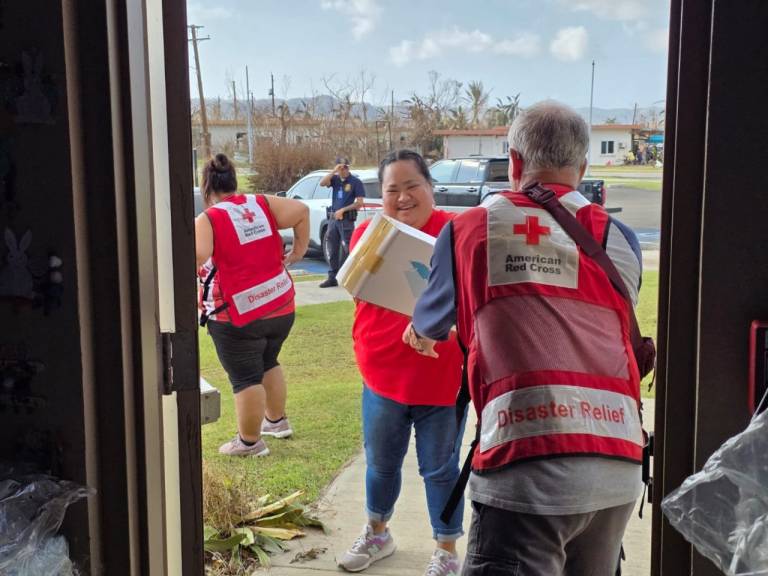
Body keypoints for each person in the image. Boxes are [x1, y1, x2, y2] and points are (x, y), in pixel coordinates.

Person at [404, 102, 645, 575]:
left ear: (513, 162)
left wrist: (422, 331)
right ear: (582, 168)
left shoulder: (469, 230)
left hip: (526, 465)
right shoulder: (621, 237)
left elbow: (429, 322)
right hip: (616, 462)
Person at [339, 150, 466, 576]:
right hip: (381, 375)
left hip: (442, 381)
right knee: (381, 463)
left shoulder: (458, 234)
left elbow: (476, 306)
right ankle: (378, 532)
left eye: (412, 186)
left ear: (431, 187)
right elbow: (358, 291)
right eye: (393, 189)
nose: (403, 196)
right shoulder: (370, 235)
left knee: (441, 470)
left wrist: (441, 328)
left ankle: (446, 550)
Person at [195, 153, 309, 457]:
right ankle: (277, 421)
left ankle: (248, 442)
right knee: (268, 361)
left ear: (206, 188)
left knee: (245, 377)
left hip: (237, 313)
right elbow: (300, 210)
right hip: (280, 304)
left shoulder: (210, 218)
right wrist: (297, 251)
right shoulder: (261, 204)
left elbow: (196, 254)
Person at [318, 157, 365, 288]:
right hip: (333, 219)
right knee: (332, 248)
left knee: (348, 249)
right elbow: (322, 183)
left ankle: (352, 277)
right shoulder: (335, 179)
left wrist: (343, 210)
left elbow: (359, 203)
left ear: (348, 168)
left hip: (346, 220)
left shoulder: (355, 182)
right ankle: (332, 277)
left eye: (345, 167)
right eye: (340, 167)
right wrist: (333, 171)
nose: (343, 170)